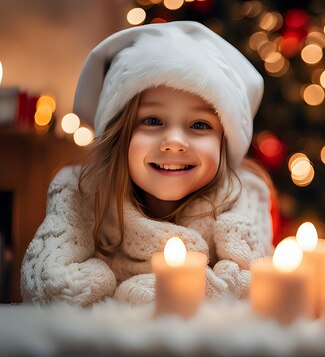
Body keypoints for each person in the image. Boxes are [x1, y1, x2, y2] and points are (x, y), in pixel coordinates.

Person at [21, 21, 274, 306]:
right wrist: (102, 277)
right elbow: (48, 287)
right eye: (152, 120)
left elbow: (249, 287)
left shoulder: (244, 194)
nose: (175, 141)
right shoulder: (81, 191)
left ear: (224, 143)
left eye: (200, 124)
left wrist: (132, 290)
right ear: (120, 135)